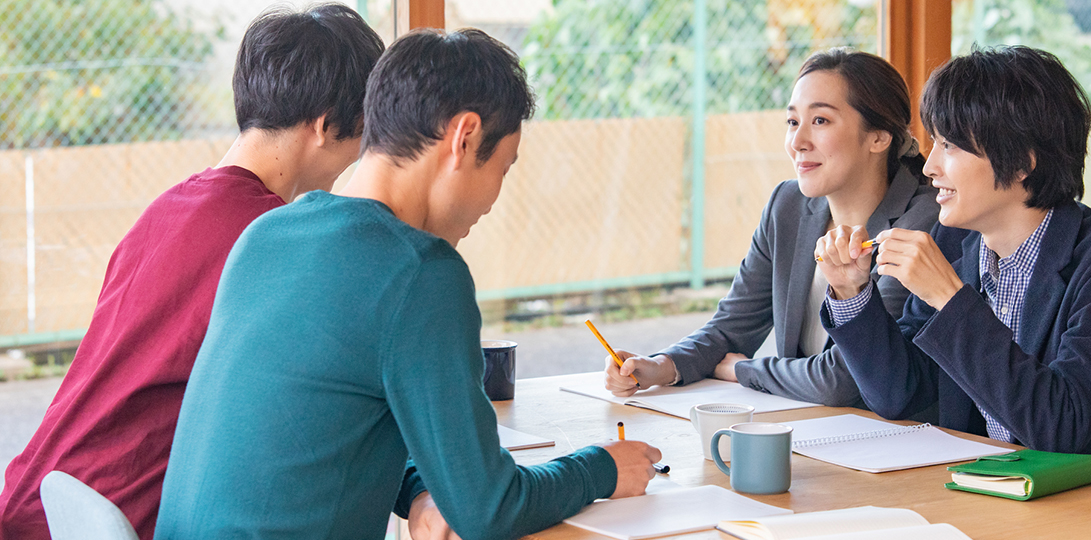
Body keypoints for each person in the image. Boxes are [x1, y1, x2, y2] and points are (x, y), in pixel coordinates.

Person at [153, 28, 661, 540]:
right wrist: (602, 468)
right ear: (463, 138)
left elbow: (322, 427)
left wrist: (421, 487)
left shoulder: (266, 234)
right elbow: (489, 509)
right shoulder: (421, 273)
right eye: (503, 168)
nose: (491, 201)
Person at [0, 6, 384, 540]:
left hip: (36, 501)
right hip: (122, 517)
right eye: (364, 135)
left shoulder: (171, 207)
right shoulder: (270, 239)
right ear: (324, 125)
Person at [816, 46, 1091, 476]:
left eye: (949, 146)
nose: (930, 166)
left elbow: (1059, 428)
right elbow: (901, 394)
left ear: (1023, 161)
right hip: (997, 493)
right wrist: (852, 291)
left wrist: (949, 299)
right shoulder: (954, 241)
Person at [604, 49, 939, 406]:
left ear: (879, 137)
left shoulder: (922, 222)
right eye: (793, 122)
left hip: (896, 444)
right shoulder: (788, 205)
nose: (797, 143)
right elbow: (732, 327)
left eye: (821, 121)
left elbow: (845, 379)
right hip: (806, 427)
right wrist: (663, 366)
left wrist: (746, 371)